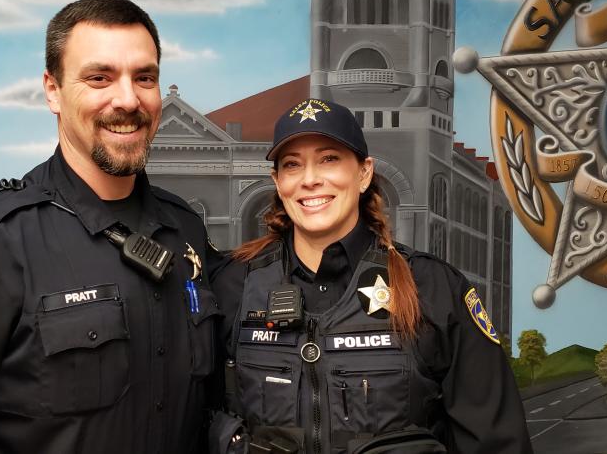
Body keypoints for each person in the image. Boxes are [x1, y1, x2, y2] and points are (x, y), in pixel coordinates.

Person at [0, 0, 220, 453]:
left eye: (144, 77)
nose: (128, 99)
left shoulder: (184, 228)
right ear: (52, 90)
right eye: (99, 78)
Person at [211, 99, 533, 454]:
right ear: (277, 181)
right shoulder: (234, 286)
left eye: (329, 159)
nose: (310, 179)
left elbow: (498, 442)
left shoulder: (432, 288)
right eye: (292, 165)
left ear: (363, 173)